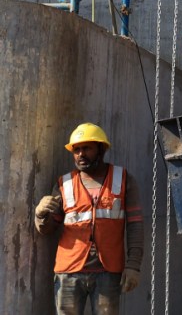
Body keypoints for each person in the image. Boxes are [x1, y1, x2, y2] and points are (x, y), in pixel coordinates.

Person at [34, 123, 143, 315]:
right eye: (76, 150)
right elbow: (48, 228)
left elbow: (135, 226)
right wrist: (40, 214)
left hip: (107, 273)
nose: (80, 154)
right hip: (69, 271)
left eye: (87, 148)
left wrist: (133, 265)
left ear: (101, 149)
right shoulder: (64, 183)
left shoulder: (123, 178)